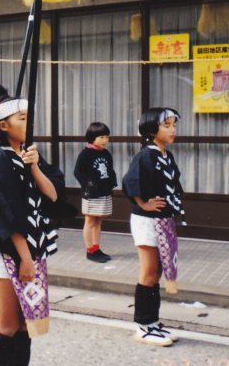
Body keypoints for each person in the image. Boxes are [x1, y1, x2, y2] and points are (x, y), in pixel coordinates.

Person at [0, 97, 66, 366]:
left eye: (28, 117)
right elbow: (8, 212)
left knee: (24, 323)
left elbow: (54, 196)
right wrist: (25, 258)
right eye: (21, 118)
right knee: (6, 323)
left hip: (33, 249)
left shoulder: (31, 156)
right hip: (6, 249)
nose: (28, 124)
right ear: (3, 126)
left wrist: (35, 167)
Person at [122, 108, 185, 347]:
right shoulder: (146, 154)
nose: (172, 130)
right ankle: (143, 325)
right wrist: (143, 203)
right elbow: (129, 181)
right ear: (151, 130)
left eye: (173, 125)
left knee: (158, 270)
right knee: (149, 270)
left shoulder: (164, 154)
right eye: (166, 125)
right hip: (147, 220)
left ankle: (153, 322)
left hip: (163, 219)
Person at [73, 122, 117, 263]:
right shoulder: (85, 154)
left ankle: (96, 248)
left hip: (104, 193)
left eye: (107, 137)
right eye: (101, 137)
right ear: (92, 137)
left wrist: (109, 186)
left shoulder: (106, 153)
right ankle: (90, 250)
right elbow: (78, 172)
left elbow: (109, 171)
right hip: (91, 194)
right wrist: (90, 187)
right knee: (90, 221)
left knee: (99, 221)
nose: (105, 140)